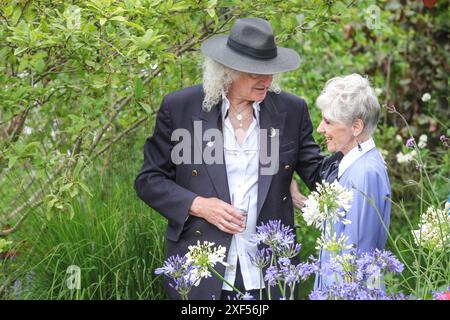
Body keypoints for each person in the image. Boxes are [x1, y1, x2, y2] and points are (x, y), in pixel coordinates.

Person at [134, 17, 340, 300]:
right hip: (200, 269)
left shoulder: (292, 110)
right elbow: (149, 181)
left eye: (270, 70)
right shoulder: (180, 108)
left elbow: (318, 173)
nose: (267, 80)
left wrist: (356, 150)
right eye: (257, 72)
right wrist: (198, 205)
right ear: (228, 70)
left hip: (269, 269)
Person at [309, 74, 391, 290]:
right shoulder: (355, 165)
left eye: (328, 122)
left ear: (356, 127)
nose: (320, 129)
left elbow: (356, 257)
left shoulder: (364, 173)